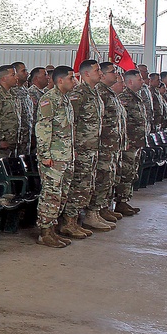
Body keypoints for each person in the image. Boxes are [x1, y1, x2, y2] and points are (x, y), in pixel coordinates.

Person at [59, 60, 109, 239]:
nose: (101, 74)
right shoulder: (78, 93)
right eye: (97, 71)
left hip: (92, 148)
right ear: (86, 74)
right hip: (81, 149)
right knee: (78, 185)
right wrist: (74, 147)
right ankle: (68, 222)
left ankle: (78, 219)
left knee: (86, 185)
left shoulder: (94, 93)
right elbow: (70, 122)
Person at [34, 66, 77, 248]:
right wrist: (44, 155)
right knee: (50, 194)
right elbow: (43, 129)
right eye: (71, 78)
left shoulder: (65, 99)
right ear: (60, 80)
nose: (74, 81)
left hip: (65, 155)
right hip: (53, 157)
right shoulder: (49, 99)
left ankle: (53, 228)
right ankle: (45, 232)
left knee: (61, 194)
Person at [90, 63, 125, 223]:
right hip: (102, 145)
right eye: (113, 72)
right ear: (103, 75)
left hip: (112, 145)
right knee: (101, 177)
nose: (116, 74)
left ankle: (103, 208)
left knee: (109, 177)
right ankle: (93, 212)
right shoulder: (100, 93)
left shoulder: (109, 93)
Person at [114, 70, 147, 215]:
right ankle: (120, 201)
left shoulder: (136, 97)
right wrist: (125, 140)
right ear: (131, 82)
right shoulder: (124, 98)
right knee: (126, 172)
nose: (143, 82)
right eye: (140, 79)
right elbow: (122, 122)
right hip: (128, 143)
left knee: (132, 172)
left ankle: (125, 200)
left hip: (136, 142)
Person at [0, 65, 21, 160]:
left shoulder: (14, 94)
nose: (16, 77)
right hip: (1, 143)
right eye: (13, 75)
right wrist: (1, 138)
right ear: (4, 78)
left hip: (13, 140)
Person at [12, 62, 34, 156]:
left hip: (26, 136)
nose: (27, 73)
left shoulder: (25, 89)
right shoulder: (11, 91)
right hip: (15, 137)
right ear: (15, 73)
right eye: (23, 71)